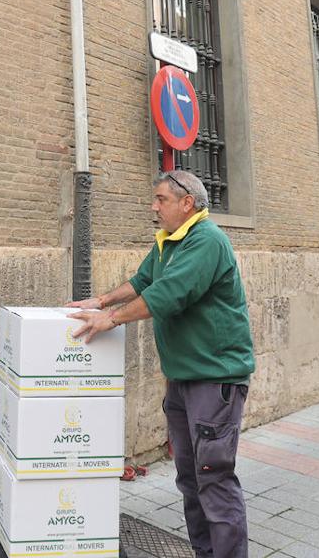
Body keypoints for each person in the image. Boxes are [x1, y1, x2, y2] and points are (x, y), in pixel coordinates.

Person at [69, 170, 255, 558]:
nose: (154, 207)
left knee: (213, 478)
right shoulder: (170, 242)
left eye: (161, 200)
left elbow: (169, 294)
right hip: (183, 380)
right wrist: (100, 301)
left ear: (187, 202)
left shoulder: (206, 241)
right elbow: (143, 281)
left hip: (214, 380)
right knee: (189, 479)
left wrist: (112, 319)